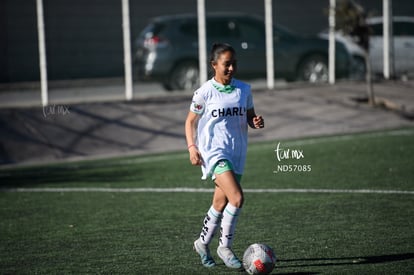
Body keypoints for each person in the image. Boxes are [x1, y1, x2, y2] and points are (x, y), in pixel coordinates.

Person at [185, 43, 264, 269]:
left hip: (236, 152)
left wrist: (256, 121)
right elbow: (190, 121)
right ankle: (224, 247)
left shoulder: (244, 90)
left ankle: (202, 243)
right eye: (226, 64)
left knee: (220, 203)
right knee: (237, 198)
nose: (231, 68)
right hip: (214, 152)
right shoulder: (204, 92)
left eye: (234, 63)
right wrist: (192, 147)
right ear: (214, 65)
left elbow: (250, 116)